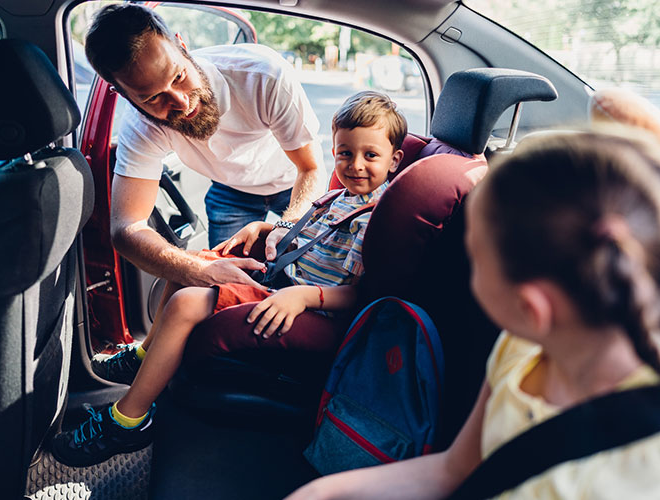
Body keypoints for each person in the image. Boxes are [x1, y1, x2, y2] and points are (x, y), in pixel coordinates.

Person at [285, 126, 660, 499]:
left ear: (531, 307)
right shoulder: (524, 348)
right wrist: (327, 491)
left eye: (472, 259)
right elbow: (456, 469)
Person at [50, 91, 407, 467]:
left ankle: (128, 421)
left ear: (395, 160)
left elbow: (365, 295)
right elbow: (312, 241)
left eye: (370, 155)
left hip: (314, 308)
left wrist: (304, 298)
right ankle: (144, 355)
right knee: (195, 263)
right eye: (344, 153)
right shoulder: (341, 198)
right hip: (287, 280)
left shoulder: (377, 217)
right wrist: (266, 228)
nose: (355, 165)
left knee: (187, 300)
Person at [84, 3, 328, 289]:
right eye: (153, 99)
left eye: (178, 77)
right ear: (124, 97)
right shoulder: (140, 127)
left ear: (182, 45)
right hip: (231, 192)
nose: (180, 102)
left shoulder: (263, 76)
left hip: (294, 183)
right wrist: (199, 270)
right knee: (227, 287)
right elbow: (127, 228)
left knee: (314, 274)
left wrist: (289, 227)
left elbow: (310, 167)